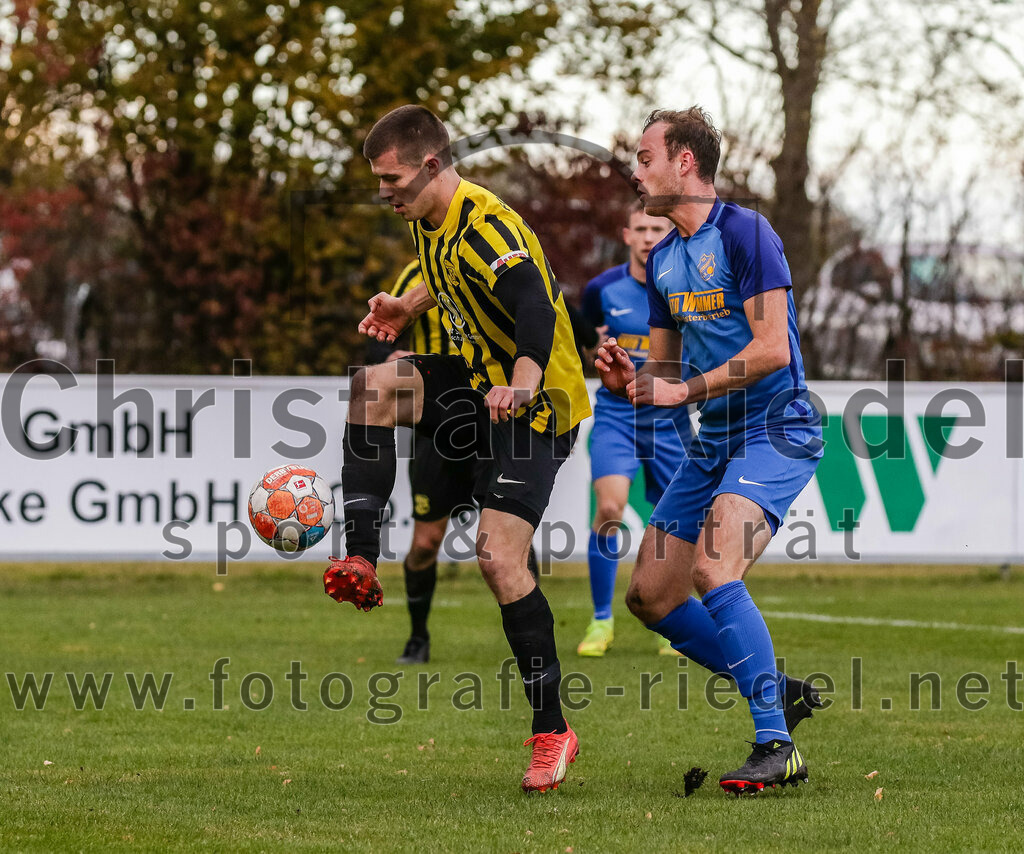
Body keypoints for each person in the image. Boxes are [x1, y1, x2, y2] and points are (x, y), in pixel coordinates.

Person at [326, 105, 592, 793]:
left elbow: (534, 301)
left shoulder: (487, 223)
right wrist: (406, 308)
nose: (384, 191)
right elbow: (440, 273)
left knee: (499, 559)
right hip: (479, 384)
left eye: (391, 179)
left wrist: (525, 380)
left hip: (540, 401)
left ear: (431, 165)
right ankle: (358, 553)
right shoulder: (429, 219)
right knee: (371, 388)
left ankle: (552, 732)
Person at [596, 107, 824, 794]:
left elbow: (771, 348)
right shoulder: (663, 261)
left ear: (684, 162)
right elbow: (664, 378)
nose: (636, 171)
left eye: (644, 157)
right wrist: (633, 382)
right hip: (716, 438)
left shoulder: (747, 233)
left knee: (715, 568)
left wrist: (683, 388)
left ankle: (775, 744)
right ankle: (774, 687)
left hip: (777, 428)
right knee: (649, 595)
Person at [371, 261, 543, 666]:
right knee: (426, 542)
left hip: (496, 419)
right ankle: (417, 638)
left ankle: (532, 641)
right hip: (439, 428)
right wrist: (392, 353)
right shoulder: (416, 274)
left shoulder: (505, 261)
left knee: (511, 543)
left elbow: (544, 318)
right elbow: (379, 336)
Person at [577, 202, 692, 657]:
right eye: (640, 228)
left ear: (671, 233)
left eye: (657, 228)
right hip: (617, 417)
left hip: (671, 422)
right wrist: (601, 358)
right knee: (609, 507)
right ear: (627, 235)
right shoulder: (601, 290)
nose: (648, 236)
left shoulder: (689, 287)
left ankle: (672, 622)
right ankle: (601, 621)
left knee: (677, 522)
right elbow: (587, 343)